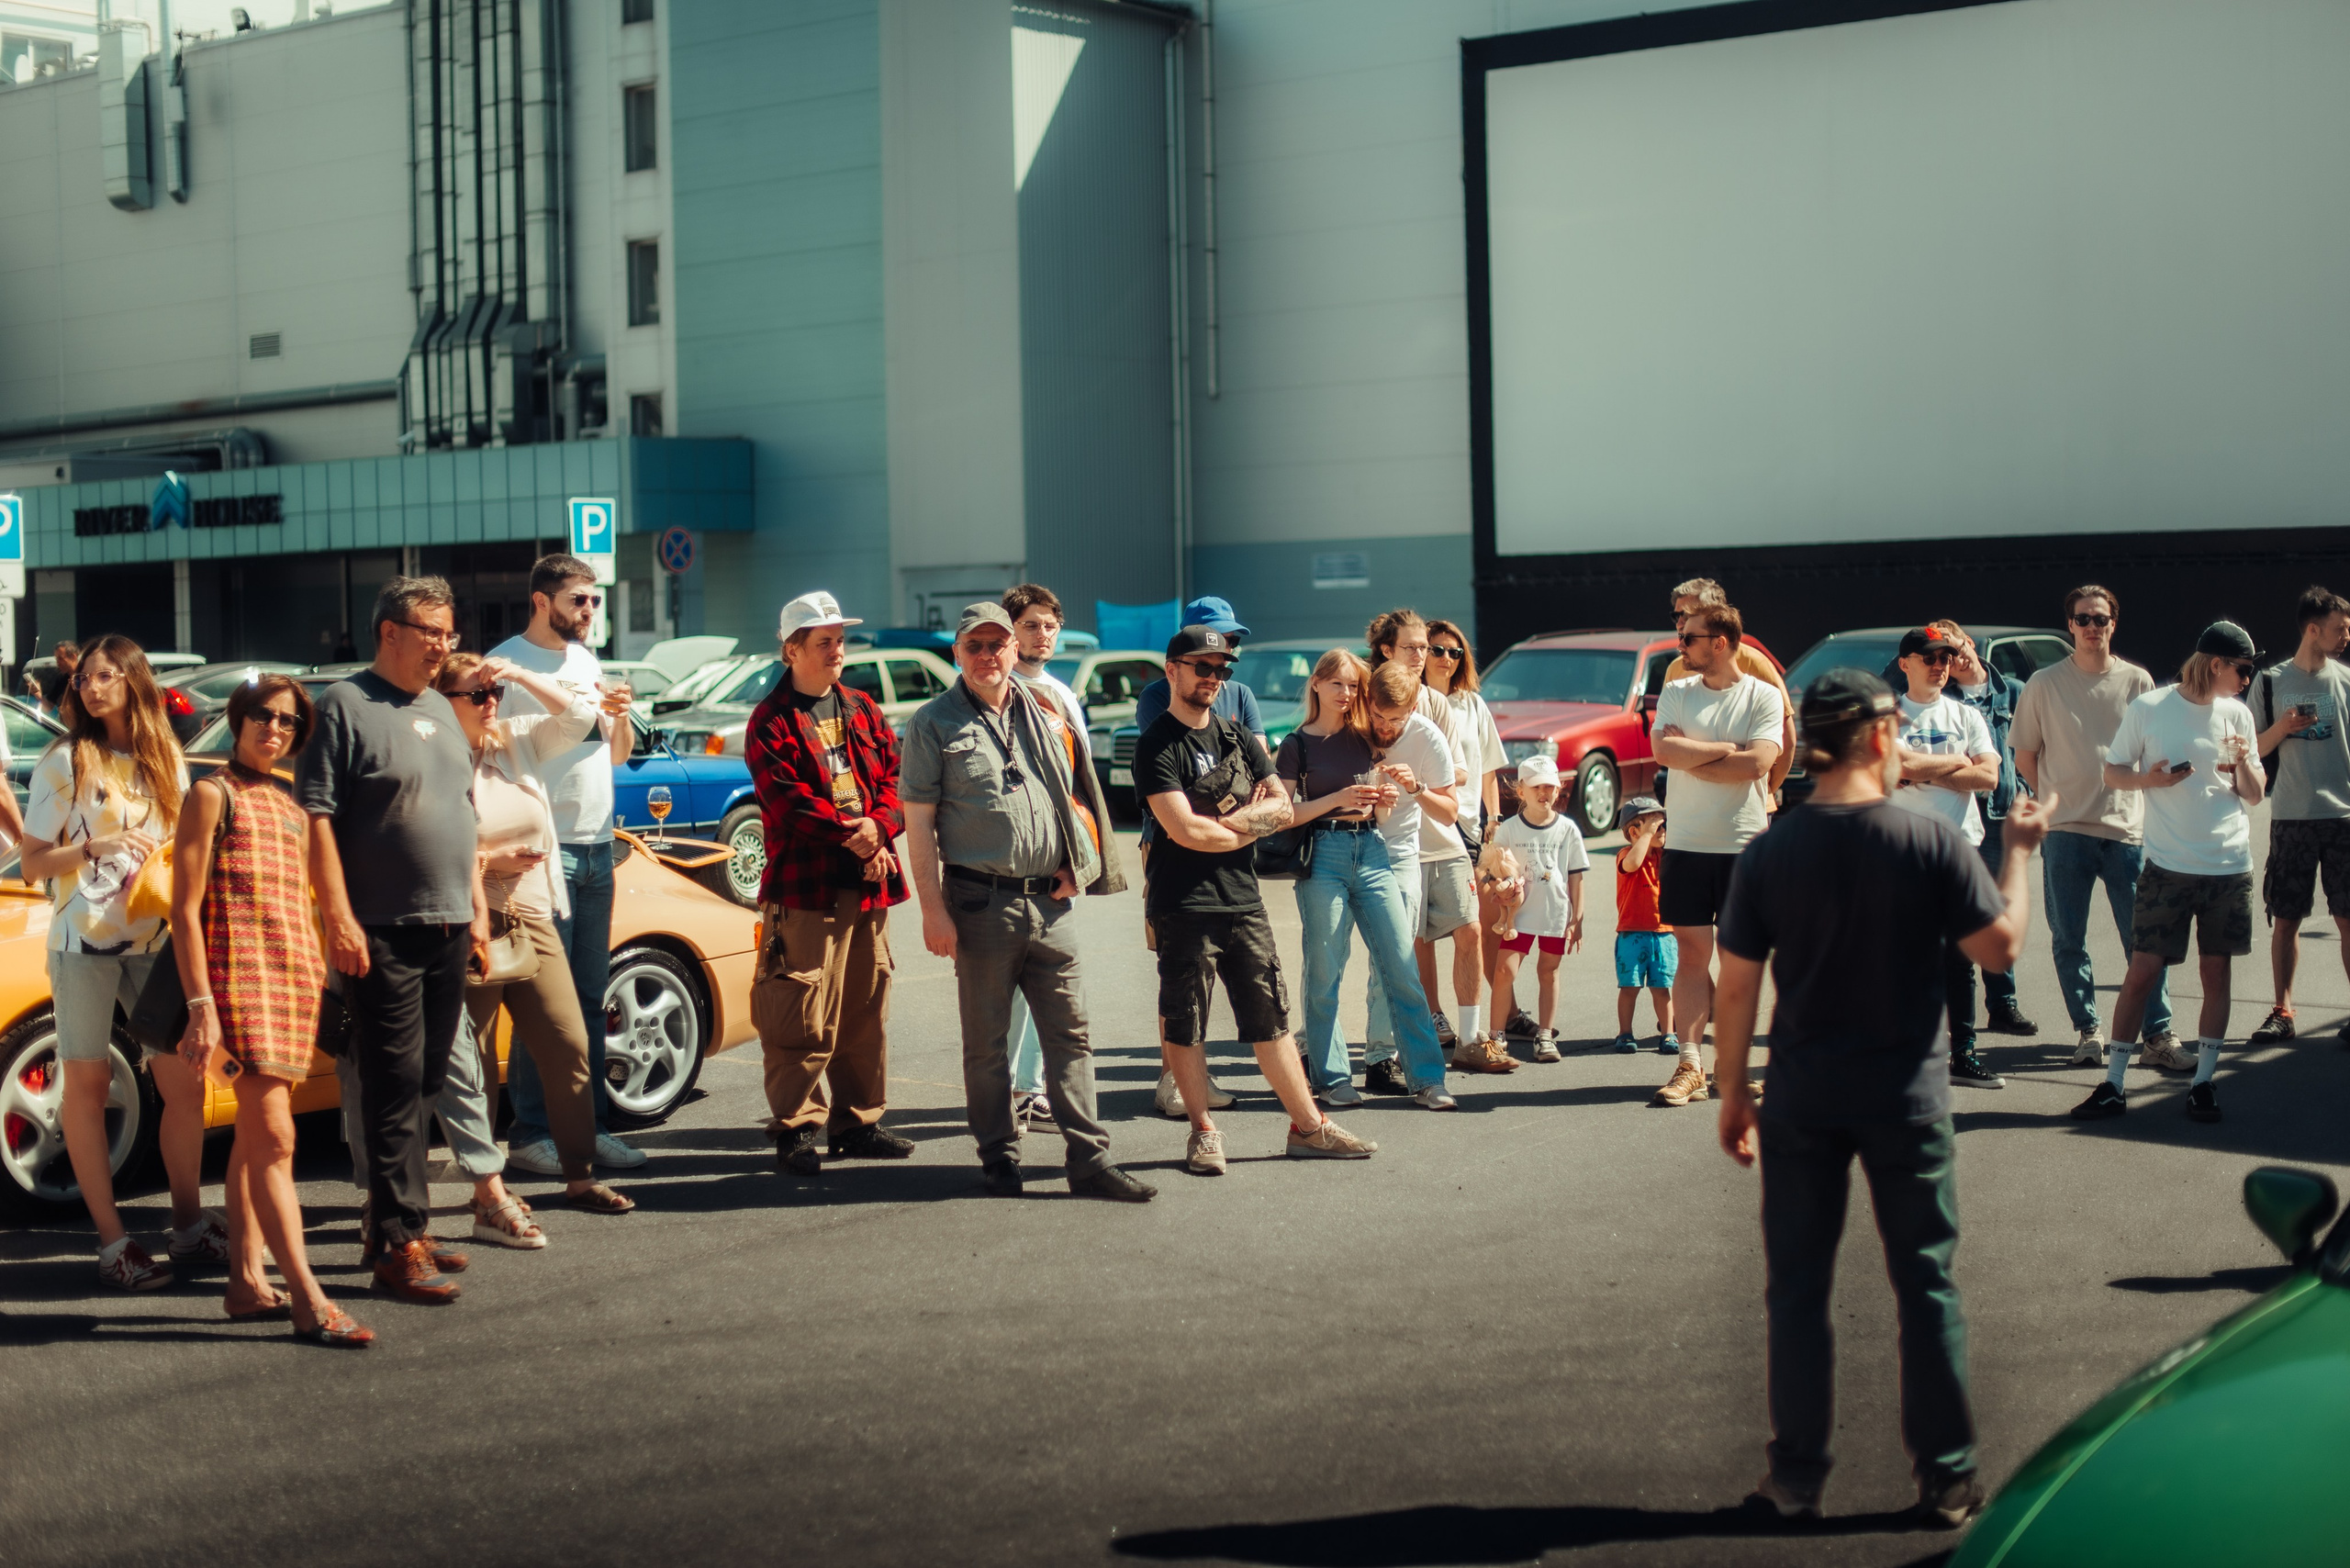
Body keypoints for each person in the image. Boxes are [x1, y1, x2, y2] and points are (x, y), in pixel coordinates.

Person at [1714, 669, 2051, 1530]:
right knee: (1926, 1287)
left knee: (1796, 1292)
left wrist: (1730, 1092)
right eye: (1901, 732)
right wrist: (2018, 849)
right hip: (1907, 1101)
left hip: (1801, 1098)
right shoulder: (1927, 843)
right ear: (1874, 736)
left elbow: (1738, 991)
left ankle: (1794, 1482)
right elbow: (2000, 951)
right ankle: (1946, 1480)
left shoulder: (1771, 851)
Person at [901, 603, 1151, 1200]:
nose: (989, 655)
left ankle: (1089, 1160)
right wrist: (933, 912)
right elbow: (918, 825)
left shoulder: (1040, 711)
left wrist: (1078, 864)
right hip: (981, 904)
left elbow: (1071, 795)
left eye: (998, 644)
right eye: (975, 646)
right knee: (988, 1042)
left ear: (1015, 649)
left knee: (1072, 1036)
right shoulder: (933, 723)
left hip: (1051, 904)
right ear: (957, 654)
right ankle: (999, 1156)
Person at [297, 577, 487, 1305]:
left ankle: (394, 1224)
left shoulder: (439, 706)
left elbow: (461, 811)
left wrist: (474, 906)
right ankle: (398, 1242)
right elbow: (316, 816)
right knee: (390, 1086)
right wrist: (337, 918)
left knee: (426, 1083)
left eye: (448, 631)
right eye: (431, 631)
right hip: (380, 929)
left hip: (447, 925)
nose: (443, 644)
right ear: (389, 632)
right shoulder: (344, 706)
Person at [169, 675, 370, 1345]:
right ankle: (309, 1299)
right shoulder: (211, 793)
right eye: (262, 716)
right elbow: (184, 909)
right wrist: (201, 1005)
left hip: (293, 986)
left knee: (254, 1146)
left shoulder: (291, 805)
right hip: (236, 991)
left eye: (288, 722)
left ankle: (245, 1283)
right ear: (237, 719)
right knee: (278, 1141)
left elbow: (316, 899)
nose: (274, 729)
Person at [1136, 625, 1381, 1172]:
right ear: (1173, 670)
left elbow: (1282, 808)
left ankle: (1310, 1127)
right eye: (1203, 667)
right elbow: (1184, 833)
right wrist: (1246, 825)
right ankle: (1203, 1131)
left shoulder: (1237, 737)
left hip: (1243, 901)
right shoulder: (1157, 744)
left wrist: (1229, 825)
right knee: (1186, 1023)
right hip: (1183, 904)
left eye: (1223, 671)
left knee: (1270, 1018)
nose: (1215, 679)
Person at [19, 635, 213, 1292]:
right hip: (84, 945)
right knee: (89, 1087)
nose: (91, 687)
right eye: (85, 680)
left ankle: (186, 1225)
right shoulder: (67, 760)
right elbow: (32, 861)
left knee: (185, 1086)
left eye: (106, 677)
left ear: (135, 681)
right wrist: (92, 847)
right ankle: (113, 1242)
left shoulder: (166, 759)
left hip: (156, 941)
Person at [434, 652, 636, 1227]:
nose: (488, 703)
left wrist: (517, 675)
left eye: (491, 693)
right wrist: (487, 858)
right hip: (466, 924)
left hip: (531, 916)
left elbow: (579, 716)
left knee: (568, 1043)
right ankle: (485, 1189)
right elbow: (425, 839)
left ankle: (579, 1177)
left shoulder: (514, 738)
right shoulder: (437, 756)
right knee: (468, 1061)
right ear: (443, 702)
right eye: (476, 695)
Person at [744, 590, 915, 1177]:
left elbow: (895, 776)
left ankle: (859, 1123)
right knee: (802, 1011)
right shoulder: (770, 720)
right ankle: (796, 1129)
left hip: (868, 885)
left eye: (840, 639)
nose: (838, 650)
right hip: (807, 887)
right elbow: (788, 800)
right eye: (825, 641)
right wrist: (857, 834)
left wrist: (880, 824)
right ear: (792, 650)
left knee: (866, 1007)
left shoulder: (863, 707)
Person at [491, 553, 648, 1174]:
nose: (589, 611)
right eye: (578, 601)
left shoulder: (586, 660)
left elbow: (614, 755)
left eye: (595, 601)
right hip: (541, 853)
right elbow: (491, 756)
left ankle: (586, 1128)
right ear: (541, 601)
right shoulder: (505, 665)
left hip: (596, 842)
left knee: (586, 997)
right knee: (542, 1004)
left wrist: (619, 717)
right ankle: (533, 1133)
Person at [2071, 622, 2264, 1126]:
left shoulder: (2238, 714)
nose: (2248, 678)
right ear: (2216, 664)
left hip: (2227, 865)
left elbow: (2256, 793)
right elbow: (2112, 771)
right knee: (2141, 973)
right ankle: (2113, 1083)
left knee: (2215, 972)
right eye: (2243, 668)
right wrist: (2149, 781)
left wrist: (2243, 763)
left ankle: (2203, 1083)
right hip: (2167, 867)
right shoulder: (2151, 708)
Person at [2009, 586, 2181, 1069]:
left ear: (2113, 624)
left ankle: (2158, 1036)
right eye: (2082, 619)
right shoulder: (2044, 683)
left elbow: (2153, 753)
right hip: (2066, 831)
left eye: (2099, 619)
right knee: (2069, 938)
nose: (2091, 627)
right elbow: (2025, 756)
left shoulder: (2138, 681)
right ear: (2069, 625)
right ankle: (2088, 1031)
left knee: (2143, 940)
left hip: (2127, 829)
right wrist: (2055, 801)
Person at [1274, 651, 1452, 1107]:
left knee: (1400, 964)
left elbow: (1381, 809)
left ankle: (1429, 1079)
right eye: (1337, 684)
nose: (1346, 694)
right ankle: (1332, 1079)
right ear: (1316, 684)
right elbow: (1285, 815)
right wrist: (1337, 798)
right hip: (1324, 854)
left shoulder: (1364, 738)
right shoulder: (1296, 744)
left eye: (1354, 686)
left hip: (1372, 850)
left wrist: (1386, 796)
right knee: (1324, 971)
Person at [1134, 594, 1262, 1118]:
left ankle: (1199, 1076)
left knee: (1227, 975)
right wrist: (1232, 811)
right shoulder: (1154, 695)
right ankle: (1175, 1078)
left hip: (1231, 845)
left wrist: (1229, 819)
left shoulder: (1242, 694)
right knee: (1179, 971)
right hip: (1167, 844)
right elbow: (1174, 783)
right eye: (1211, 648)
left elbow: (1261, 776)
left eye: (1230, 646)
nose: (1222, 657)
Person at [1650, 604, 1783, 1107]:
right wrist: (1727, 750)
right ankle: (1690, 1065)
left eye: (1689, 640)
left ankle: (1731, 1065)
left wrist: (1697, 754)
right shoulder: (1678, 690)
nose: (1680, 647)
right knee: (1690, 955)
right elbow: (1664, 754)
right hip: (1685, 843)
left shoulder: (1762, 695)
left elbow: (1758, 765)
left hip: (1744, 845)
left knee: (1737, 961)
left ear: (1720, 642)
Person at [1886, 626, 2008, 1091]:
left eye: (1946, 658)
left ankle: (1964, 1054)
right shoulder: (1888, 717)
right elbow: (1898, 769)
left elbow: (1990, 779)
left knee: (1960, 960)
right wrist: (1958, 763)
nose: (1940, 665)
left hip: (1960, 849)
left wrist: (1922, 771)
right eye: (1929, 657)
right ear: (1905, 664)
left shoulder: (1966, 714)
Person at [1361, 608, 1481, 1077]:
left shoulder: (1435, 707)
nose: (1424, 655)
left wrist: (1420, 784)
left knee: (1463, 932)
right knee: (1389, 950)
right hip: (1381, 840)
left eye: (1426, 648)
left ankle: (1465, 1040)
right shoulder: (1366, 695)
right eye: (1413, 647)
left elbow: (1462, 775)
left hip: (1435, 838)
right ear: (1387, 650)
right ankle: (1387, 1045)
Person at [1000, 582, 1093, 1131]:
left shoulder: (1062, 695)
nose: (1043, 634)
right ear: (1011, 629)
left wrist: (1079, 864)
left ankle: (1028, 1090)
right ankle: (1001, 1093)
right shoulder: (995, 691)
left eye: (1050, 625)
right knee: (1005, 992)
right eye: (1032, 624)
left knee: (1048, 990)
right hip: (1003, 870)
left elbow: (1082, 787)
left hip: (1057, 868)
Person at [2245, 586, 2350, 1047]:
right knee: (2286, 917)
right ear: (2313, 629)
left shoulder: (2346, 682)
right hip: (2291, 815)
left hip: (2344, 816)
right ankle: (2283, 1010)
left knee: (2349, 918)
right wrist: (2282, 727)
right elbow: (2250, 751)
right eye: (2340, 628)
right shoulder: (2270, 682)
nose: (2347, 636)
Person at [1937, 623, 2037, 1038]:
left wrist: (2031, 792)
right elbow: (1896, 679)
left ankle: (2003, 1005)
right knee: (1961, 914)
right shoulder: (1944, 701)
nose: (1952, 659)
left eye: (1955, 647)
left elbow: (2033, 747)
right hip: (1962, 813)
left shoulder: (2013, 690)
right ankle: (1958, 1015)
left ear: (1970, 643)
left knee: (1996, 910)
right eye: (1941, 655)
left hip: (2002, 815)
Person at [1485, 755, 1586, 1062]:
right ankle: (1496, 1037)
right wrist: (1499, 890)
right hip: (1518, 915)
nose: (1544, 793)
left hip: (1554, 913)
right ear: (1522, 792)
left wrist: (1577, 918)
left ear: (1559, 790)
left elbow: (1575, 875)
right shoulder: (1510, 829)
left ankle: (1545, 1036)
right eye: (1536, 786)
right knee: (1504, 971)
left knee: (1549, 971)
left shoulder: (1568, 830)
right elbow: (1495, 872)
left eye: (1550, 787)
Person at [1663, 580, 1794, 805]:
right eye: (1676, 617)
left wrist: (1767, 790)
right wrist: (1731, 751)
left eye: (1687, 614)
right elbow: (1665, 749)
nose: (1680, 623)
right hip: (1689, 814)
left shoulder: (1755, 663)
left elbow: (1787, 738)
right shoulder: (1676, 669)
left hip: (1745, 813)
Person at [1611, 796, 1676, 1054]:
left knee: (1663, 989)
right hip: (1632, 933)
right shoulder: (1626, 854)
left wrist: (1657, 835)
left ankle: (1668, 1032)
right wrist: (1646, 836)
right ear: (1634, 832)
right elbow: (1634, 864)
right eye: (1654, 825)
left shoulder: (1665, 856)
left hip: (1664, 933)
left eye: (1662, 825)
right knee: (1630, 987)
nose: (1661, 830)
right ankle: (1625, 1033)